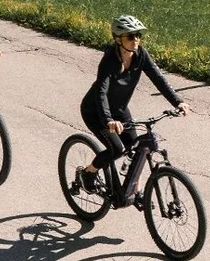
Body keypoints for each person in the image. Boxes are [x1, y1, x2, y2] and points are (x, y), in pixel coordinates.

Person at [74, 15, 192, 201]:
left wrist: (177, 101)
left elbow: (159, 79)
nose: (135, 39)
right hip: (96, 112)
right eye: (130, 36)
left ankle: (130, 188)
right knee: (116, 149)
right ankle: (88, 173)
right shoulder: (109, 61)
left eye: (137, 35)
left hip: (120, 110)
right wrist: (108, 121)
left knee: (135, 147)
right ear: (118, 39)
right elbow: (101, 93)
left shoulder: (141, 55)